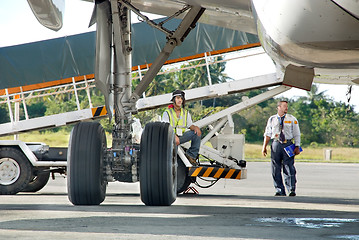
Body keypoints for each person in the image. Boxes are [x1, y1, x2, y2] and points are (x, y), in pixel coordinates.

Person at [262, 100, 301, 197]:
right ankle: (279, 190)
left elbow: (297, 133)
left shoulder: (292, 119)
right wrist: (264, 147)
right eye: (284, 106)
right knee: (275, 168)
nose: (286, 108)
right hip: (276, 143)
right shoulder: (272, 119)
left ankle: (291, 189)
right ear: (278, 107)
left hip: (288, 144)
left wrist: (297, 146)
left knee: (289, 167)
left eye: (287, 106)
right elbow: (267, 134)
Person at [162, 90, 201, 165]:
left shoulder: (185, 113)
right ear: (173, 100)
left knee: (197, 133)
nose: (180, 100)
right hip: (170, 137)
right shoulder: (167, 112)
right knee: (173, 158)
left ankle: (191, 155)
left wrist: (196, 128)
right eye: (178, 98)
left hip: (180, 137)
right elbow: (166, 128)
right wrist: (174, 136)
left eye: (182, 99)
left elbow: (190, 125)